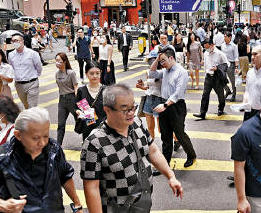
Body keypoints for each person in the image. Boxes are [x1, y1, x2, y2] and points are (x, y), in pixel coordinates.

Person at [81, 84, 183, 212]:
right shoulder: (94, 143)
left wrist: (170, 176)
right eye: (125, 110)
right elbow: (92, 188)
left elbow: (153, 150)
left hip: (142, 205)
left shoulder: (137, 123)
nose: (131, 113)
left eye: (133, 107)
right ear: (107, 110)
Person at [0, 107, 83, 213]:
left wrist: (77, 204)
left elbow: (65, 176)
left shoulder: (54, 149)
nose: (42, 143)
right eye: (35, 138)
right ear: (18, 135)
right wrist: (2, 205)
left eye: (46, 136)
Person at [150, 46, 197, 167]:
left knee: (180, 134)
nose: (162, 64)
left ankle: (191, 155)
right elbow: (152, 73)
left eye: (164, 60)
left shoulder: (181, 72)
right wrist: (157, 59)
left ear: (171, 58)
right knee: (165, 136)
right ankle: (165, 162)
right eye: (161, 61)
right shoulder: (165, 70)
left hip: (176, 107)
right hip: (164, 104)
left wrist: (165, 105)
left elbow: (177, 94)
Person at [193, 38, 230, 119]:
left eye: (207, 47)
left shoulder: (220, 53)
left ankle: (220, 109)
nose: (206, 49)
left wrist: (217, 68)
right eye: (205, 47)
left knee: (220, 95)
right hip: (208, 77)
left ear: (212, 45)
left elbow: (227, 64)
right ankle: (202, 113)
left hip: (217, 78)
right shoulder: (206, 53)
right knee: (205, 95)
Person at [8, 32, 42, 109]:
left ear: (22, 41)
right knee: (26, 106)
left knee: (32, 107)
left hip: (32, 83)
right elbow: (11, 68)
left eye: (16, 40)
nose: (14, 43)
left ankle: (34, 120)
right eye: (13, 41)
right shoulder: (11, 55)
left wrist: (35, 76)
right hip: (19, 85)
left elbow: (39, 66)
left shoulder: (32, 53)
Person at [75, 61, 106, 140]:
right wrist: (79, 112)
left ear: (100, 73)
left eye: (97, 73)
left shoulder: (107, 90)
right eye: (91, 73)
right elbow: (77, 107)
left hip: (104, 130)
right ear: (86, 74)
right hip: (88, 130)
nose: (95, 76)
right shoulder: (82, 91)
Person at [55, 53, 78, 146]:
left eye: (59, 61)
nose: (57, 63)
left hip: (72, 99)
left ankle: (87, 140)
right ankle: (58, 146)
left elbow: (76, 88)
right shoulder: (57, 74)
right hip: (62, 100)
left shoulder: (71, 73)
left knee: (81, 121)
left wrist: (78, 102)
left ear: (64, 61)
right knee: (60, 125)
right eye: (56, 61)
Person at [221, 31, 239, 102]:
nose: (224, 38)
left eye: (226, 37)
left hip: (231, 64)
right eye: (224, 37)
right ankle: (227, 90)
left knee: (232, 81)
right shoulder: (222, 45)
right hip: (223, 64)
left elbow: (236, 57)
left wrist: (236, 67)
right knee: (221, 79)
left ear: (230, 37)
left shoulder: (234, 46)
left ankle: (234, 94)